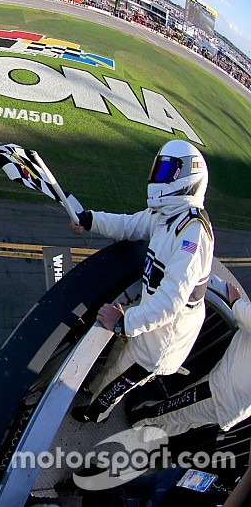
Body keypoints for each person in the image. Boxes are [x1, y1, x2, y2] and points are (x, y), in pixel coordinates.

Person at [69, 140, 214, 423]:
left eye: (166, 172)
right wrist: (89, 220)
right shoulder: (168, 215)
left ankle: (95, 413)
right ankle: (92, 389)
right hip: (144, 321)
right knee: (115, 363)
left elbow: (169, 304)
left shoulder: (192, 236)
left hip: (159, 343)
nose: (157, 178)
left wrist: (123, 323)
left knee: (117, 380)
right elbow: (128, 225)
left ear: (187, 179)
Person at [129, 282, 251, 435]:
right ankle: (150, 435)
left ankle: (137, 417)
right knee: (186, 422)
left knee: (174, 409)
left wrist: (235, 301)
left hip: (221, 393)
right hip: (234, 409)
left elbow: (243, 314)